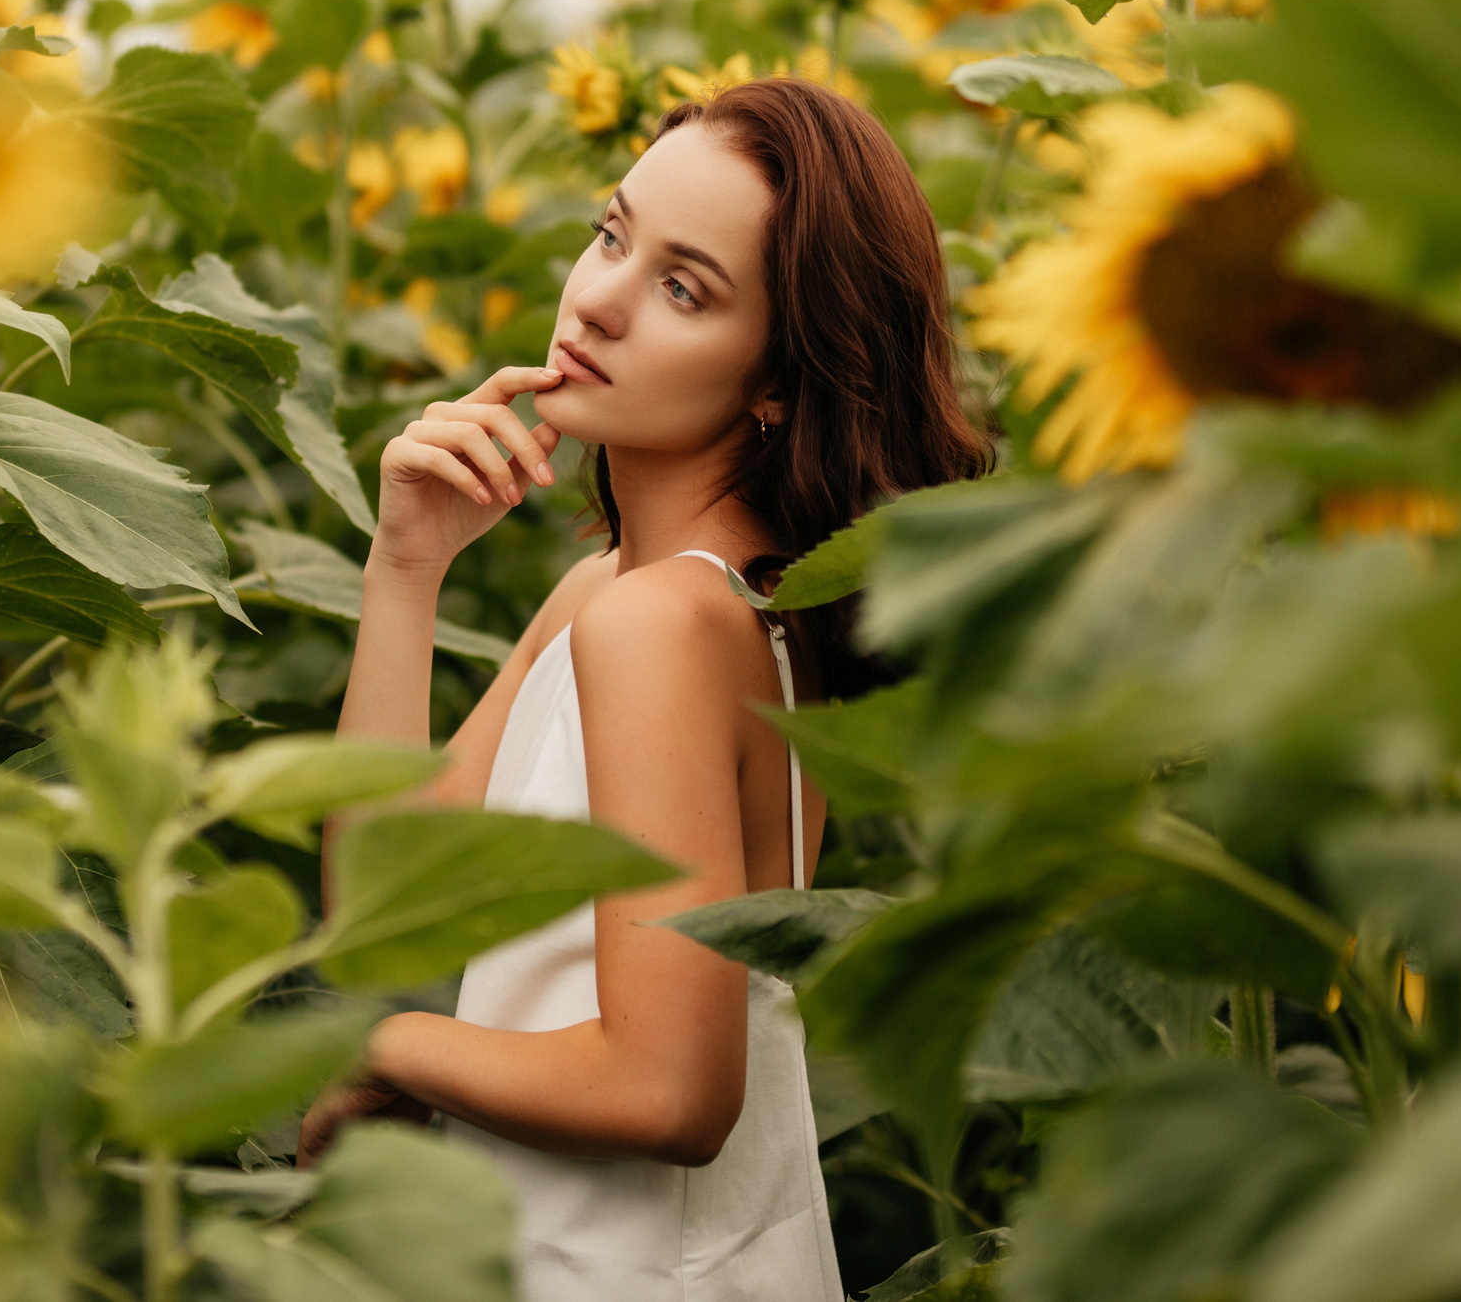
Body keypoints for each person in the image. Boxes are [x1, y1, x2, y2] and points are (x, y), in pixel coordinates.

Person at [301, 76, 988, 1300]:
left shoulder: (658, 623)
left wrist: (384, 1047)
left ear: (779, 381)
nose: (599, 300)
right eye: (613, 234)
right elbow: (385, 896)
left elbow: (668, 1090)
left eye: (683, 287)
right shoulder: (661, 597)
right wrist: (407, 566)